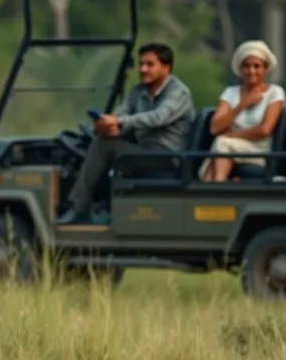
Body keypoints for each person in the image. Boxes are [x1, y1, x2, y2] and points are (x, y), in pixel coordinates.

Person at [58, 42, 194, 225]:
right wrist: (108, 124)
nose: (143, 69)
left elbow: (158, 117)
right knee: (104, 140)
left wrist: (119, 122)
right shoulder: (138, 90)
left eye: (149, 64)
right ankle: (101, 207)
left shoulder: (178, 92)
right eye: (141, 64)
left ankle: (79, 207)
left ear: (166, 67)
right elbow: (122, 112)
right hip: (143, 150)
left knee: (104, 145)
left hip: (167, 156)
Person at [199, 40, 286, 182]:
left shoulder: (275, 92)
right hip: (231, 147)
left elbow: (264, 130)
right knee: (222, 145)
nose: (251, 71)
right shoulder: (230, 93)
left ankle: (213, 189)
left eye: (256, 66)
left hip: (259, 148)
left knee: (222, 143)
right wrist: (242, 104)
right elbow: (215, 128)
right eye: (246, 66)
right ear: (240, 69)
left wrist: (233, 136)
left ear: (265, 69)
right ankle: (213, 188)